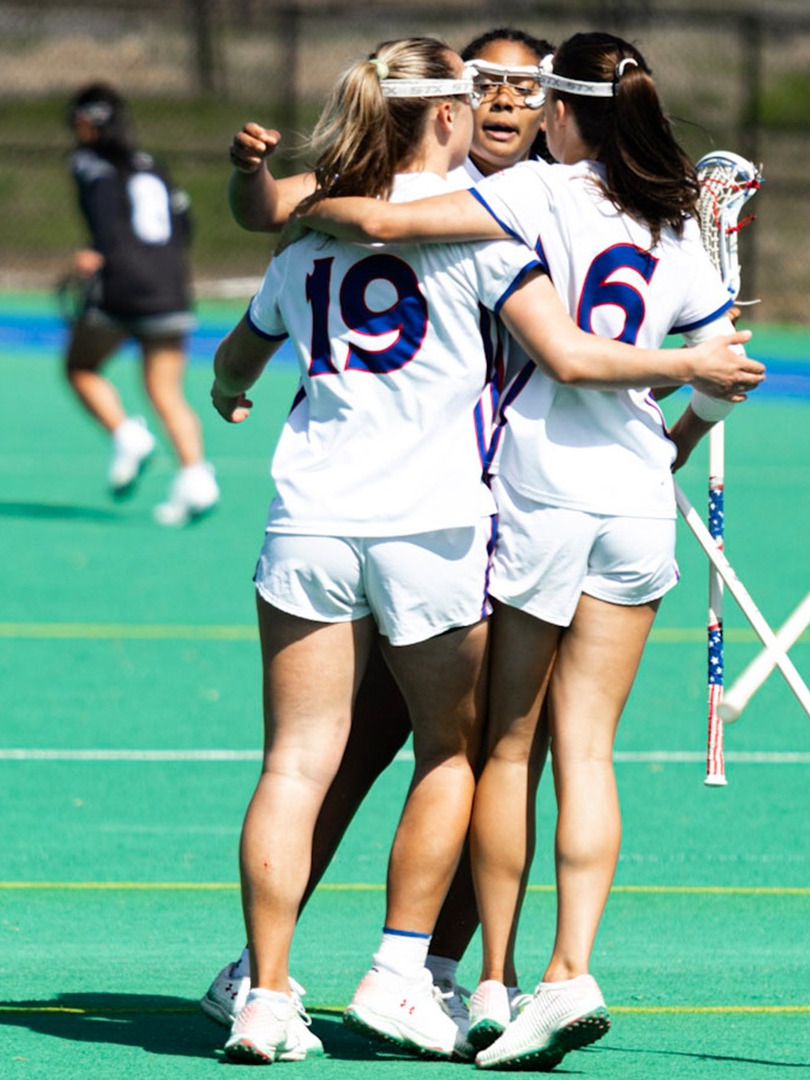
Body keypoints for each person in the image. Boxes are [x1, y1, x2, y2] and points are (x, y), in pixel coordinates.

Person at [207, 37, 759, 1065]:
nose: (507, 102)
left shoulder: (499, 204)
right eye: (487, 86)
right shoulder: (521, 221)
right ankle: (436, 971)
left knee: (342, 758)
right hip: (480, 521)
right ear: (453, 112)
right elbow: (588, 355)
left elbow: (262, 312)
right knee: (495, 752)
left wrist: (236, 364)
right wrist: (678, 405)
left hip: (381, 516)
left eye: (527, 87)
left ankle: (317, 984)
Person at [202, 27, 557, 1049]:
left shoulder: (310, 235)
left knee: (295, 762)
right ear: (446, 116)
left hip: (309, 520)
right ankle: (402, 968)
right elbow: (565, 355)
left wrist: (231, 392)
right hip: (433, 528)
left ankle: (265, 993)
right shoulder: (477, 235)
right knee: (451, 751)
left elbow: (235, 360)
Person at [61, 83, 217, 526]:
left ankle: (128, 435)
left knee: (81, 367)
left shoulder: (88, 164)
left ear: (87, 123)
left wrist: (95, 255)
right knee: (165, 389)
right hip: (170, 284)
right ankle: (196, 477)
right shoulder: (154, 165)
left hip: (122, 285)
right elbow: (184, 222)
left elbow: (106, 223)